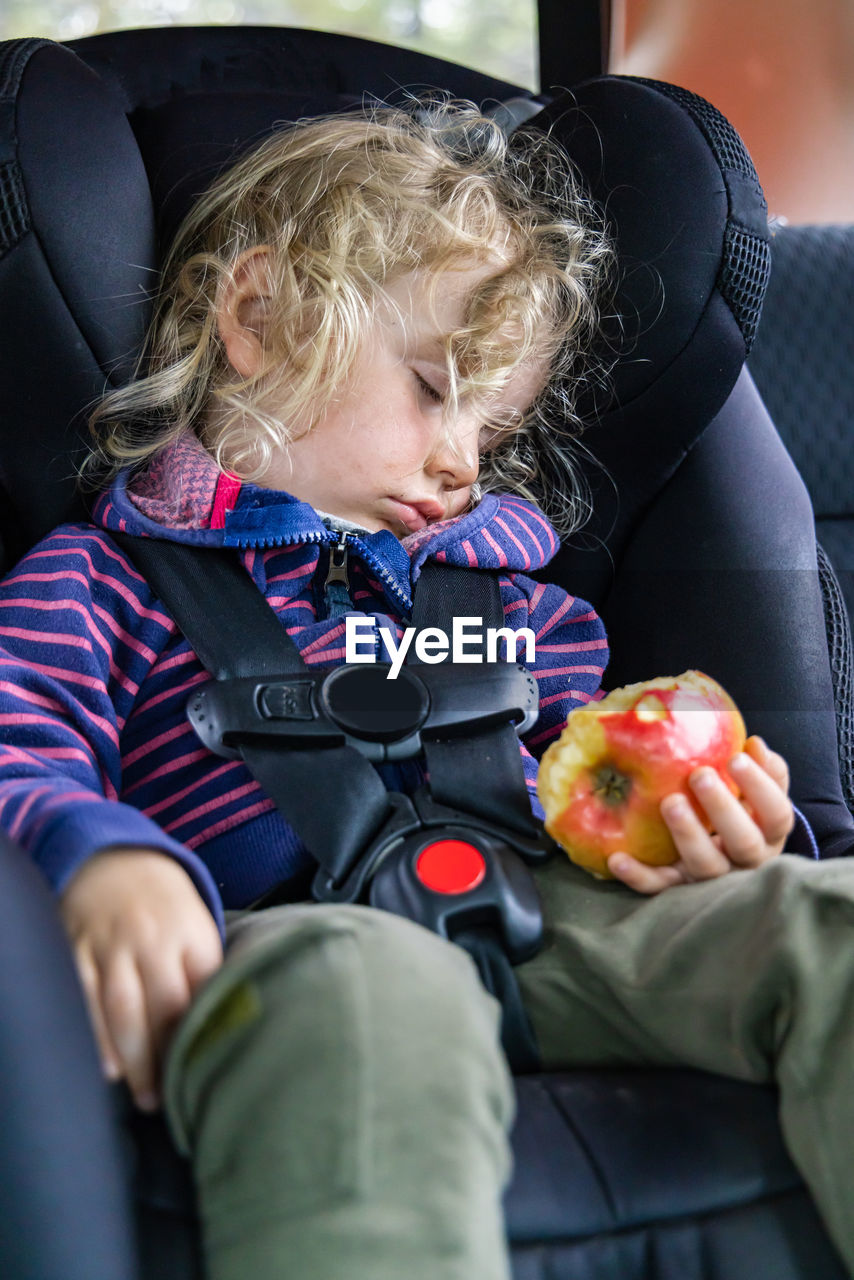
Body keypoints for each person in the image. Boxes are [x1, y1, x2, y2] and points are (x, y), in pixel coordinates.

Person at [0, 99, 849, 1280]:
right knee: (363, 992)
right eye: (435, 387)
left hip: (556, 920)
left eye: (493, 429)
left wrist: (723, 822)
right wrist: (102, 855)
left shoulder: (528, 611)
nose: (462, 459)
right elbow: (14, 742)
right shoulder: (101, 583)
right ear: (256, 315)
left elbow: (602, 787)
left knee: (832, 917)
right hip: (280, 942)